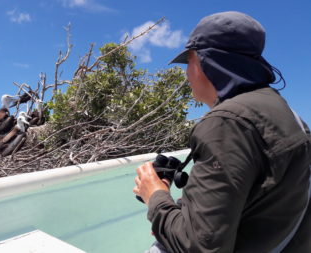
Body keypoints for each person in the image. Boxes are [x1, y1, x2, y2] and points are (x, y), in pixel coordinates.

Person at [133, 11, 311, 253]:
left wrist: (155, 195)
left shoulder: (227, 124)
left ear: (204, 61)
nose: (187, 74)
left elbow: (199, 246)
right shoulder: (286, 113)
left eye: (189, 61)